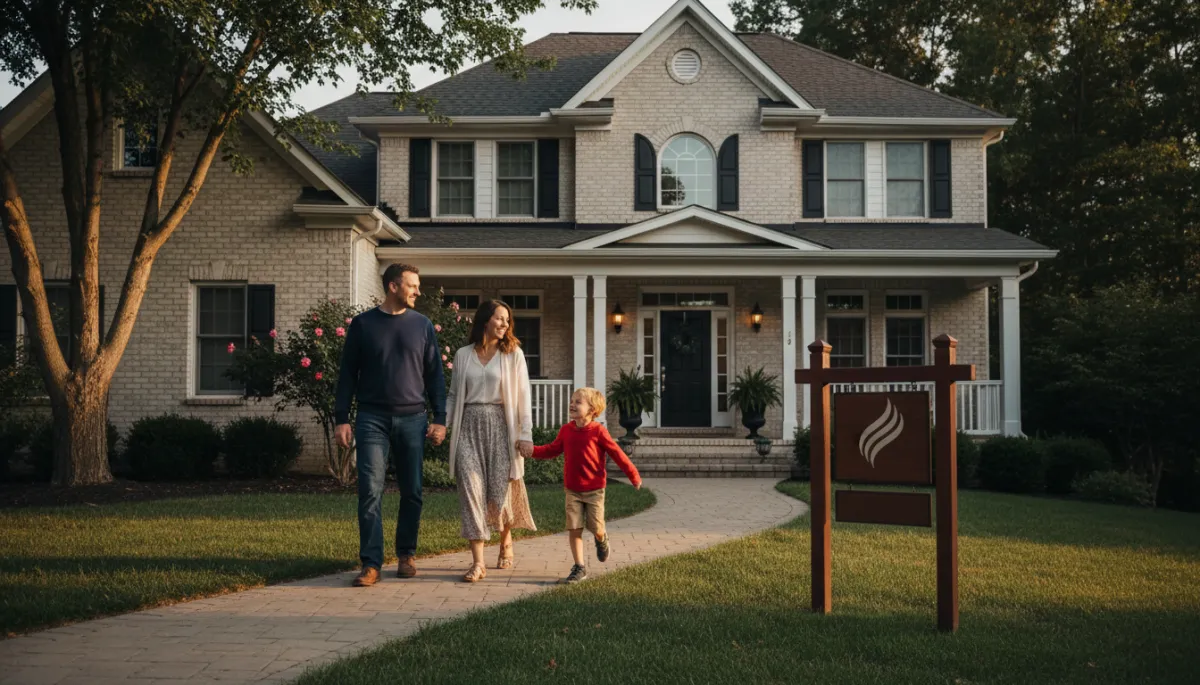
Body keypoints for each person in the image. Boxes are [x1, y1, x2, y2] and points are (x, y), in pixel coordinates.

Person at [334, 263, 446, 587]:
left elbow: (435, 375)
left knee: (412, 491)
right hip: (371, 418)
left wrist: (440, 418)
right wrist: (342, 418)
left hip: (413, 417)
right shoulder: (363, 325)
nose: (418, 291)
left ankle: (406, 554)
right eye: (413, 285)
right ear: (393, 286)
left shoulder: (422, 326)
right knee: (370, 489)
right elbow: (347, 375)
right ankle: (371, 563)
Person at [446, 299, 537, 583]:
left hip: (501, 427)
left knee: (500, 493)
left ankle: (505, 539)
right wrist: (443, 424)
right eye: (500, 319)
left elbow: (524, 397)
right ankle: (477, 563)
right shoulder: (463, 355)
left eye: (507, 321)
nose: (504, 325)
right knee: (471, 492)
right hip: (468, 428)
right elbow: (452, 395)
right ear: (486, 319)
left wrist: (525, 435)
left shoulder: (513, 354)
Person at [529, 387, 642, 584]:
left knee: (596, 526)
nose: (572, 404)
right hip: (572, 489)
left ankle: (601, 538)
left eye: (578, 402)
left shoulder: (599, 431)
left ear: (592, 409)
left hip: (594, 490)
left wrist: (633, 475)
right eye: (572, 401)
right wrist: (532, 451)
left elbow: (617, 453)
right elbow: (552, 450)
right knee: (574, 528)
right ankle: (579, 567)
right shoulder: (566, 430)